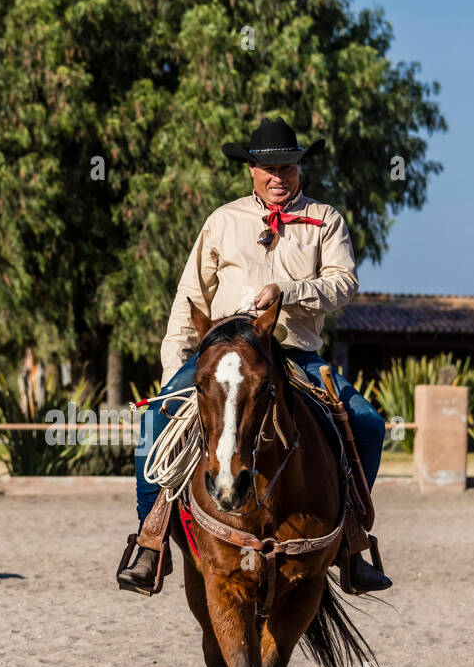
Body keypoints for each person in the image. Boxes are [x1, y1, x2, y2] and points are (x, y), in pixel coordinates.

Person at [117, 116, 391, 595]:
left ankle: (351, 539)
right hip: (225, 353)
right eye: (267, 169)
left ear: (299, 166)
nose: (277, 177)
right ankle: (151, 539)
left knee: (366, 423)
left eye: (286, 167)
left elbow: (345, 283)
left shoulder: (326, 220)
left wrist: (287, 290)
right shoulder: (222, 221)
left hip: (294, 354)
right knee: (154, 422)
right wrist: (171, 373)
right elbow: (191, 299)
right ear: (250, 171)